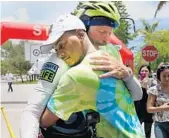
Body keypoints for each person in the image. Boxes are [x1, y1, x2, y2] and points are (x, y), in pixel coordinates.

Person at [20, 2, 143, 138]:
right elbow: (33, 110)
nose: (106, 39)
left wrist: (127, 75)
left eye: (110, 33)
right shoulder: (60, 59)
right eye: (102, 32)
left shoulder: (110, 51)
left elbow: (136, 96)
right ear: (83, 29)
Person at [147, 62, 169, 138]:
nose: (167, 78)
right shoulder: (154, 90)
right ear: (159, 76)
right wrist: (162, 108)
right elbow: (149, 109)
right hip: (160, 125)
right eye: (164, 76)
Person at [134, 65, 157, 138]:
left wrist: (147, 87)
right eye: (142, 71)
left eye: (146, 71)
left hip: (148, 112)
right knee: (136, 132)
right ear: (139, 73)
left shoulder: (153, 83)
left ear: (149, 73)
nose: (144, 72)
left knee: (148, 132)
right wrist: (140, 85)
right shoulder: (136, 82)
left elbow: (154, 96)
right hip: (138, 111)